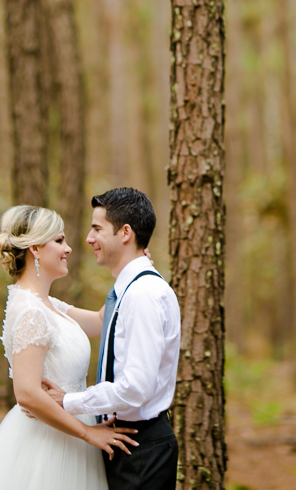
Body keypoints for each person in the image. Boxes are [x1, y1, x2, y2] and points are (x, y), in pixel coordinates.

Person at [0, 205, 138, 490]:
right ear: (35, 249)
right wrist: (88, 433)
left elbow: (100, 321)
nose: (68, 249)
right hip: (49, 443)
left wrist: (131, 268)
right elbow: (27, 393)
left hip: (72, 437)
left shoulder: (48, 305)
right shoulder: (30, 311)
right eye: (59, 240)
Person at [45, 188, 181, 490]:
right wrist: (35, 298)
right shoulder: (130, 290)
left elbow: (136, 388)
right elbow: (99, 322)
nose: (88, 238)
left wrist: (68, 401)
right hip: (128, 442)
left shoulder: (142, 295)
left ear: (125, 233)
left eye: (97, 229)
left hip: (141, 447)